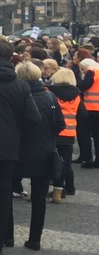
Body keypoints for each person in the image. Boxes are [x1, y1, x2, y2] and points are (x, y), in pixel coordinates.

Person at [0, 39, 41, 255]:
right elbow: (34, 118)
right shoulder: (21, 85)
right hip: (8, 146)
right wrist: (15, 130)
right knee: (4, 193)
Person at [16, 60, 64, 251]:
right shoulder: (50, 97)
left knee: (5, 192)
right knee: (39, 197)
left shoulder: (18, 96)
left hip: (19, 150)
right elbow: (60, 124)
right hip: (44, 152)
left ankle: (6, 236)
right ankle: (35, 238)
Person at [48, 69, 83, 200]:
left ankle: (44, 188)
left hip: (53, 131)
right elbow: (83, 115)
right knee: (65, 162)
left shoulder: (51, 92)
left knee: (48, 160)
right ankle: (61, 189)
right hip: (69, 133)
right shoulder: (77, 95)